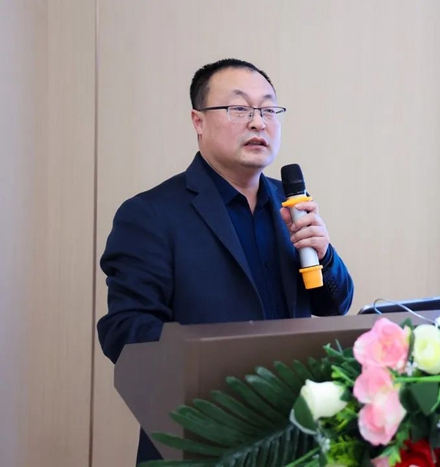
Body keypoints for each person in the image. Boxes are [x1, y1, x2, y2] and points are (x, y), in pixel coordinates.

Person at [96, 58, 355, 464]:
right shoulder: (150, 214)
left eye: (268, 109)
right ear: (198, 121)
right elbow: (126, 331)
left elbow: (334, 304)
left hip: (295, 437)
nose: (258, 122)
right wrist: (221, 365)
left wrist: (323, 255)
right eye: (239, 109)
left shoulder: (291, 203)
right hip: (201, 439)